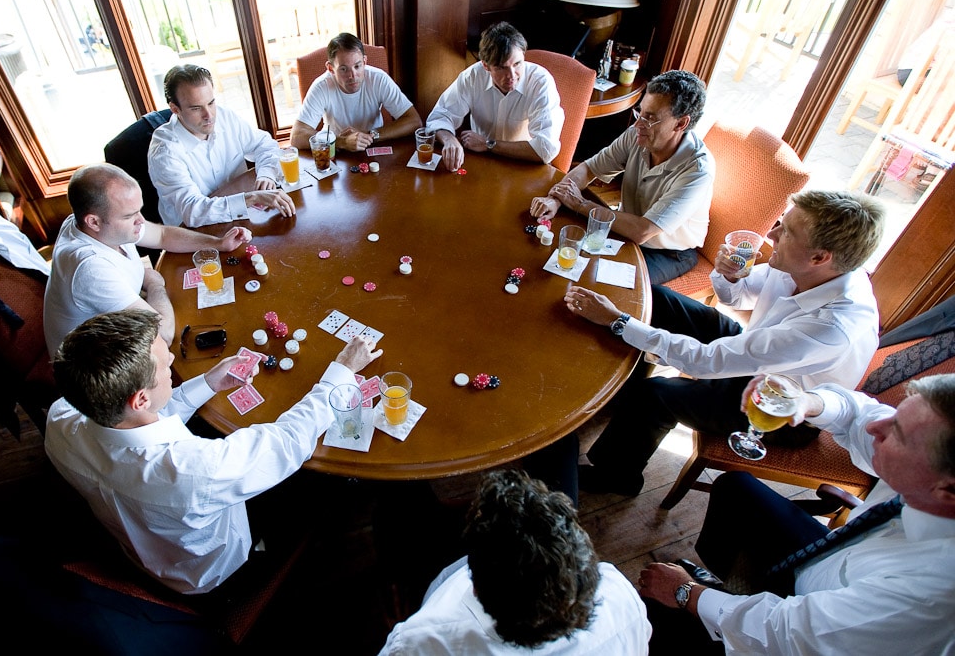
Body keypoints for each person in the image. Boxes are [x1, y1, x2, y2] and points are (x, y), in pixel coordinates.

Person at [565, 190, 885, 495]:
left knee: (658, 395)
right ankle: (623, 396)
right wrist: (730, 276)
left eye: (785, 232)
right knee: (659, 300)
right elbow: (740, 295)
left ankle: (617, 475)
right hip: (756, 353)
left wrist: (615, 320)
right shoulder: (806, 268)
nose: (771, 236)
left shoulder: (831, 327)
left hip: (781, 407)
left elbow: (704, 361)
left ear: (819, 256)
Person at [45, 309, 383, 595]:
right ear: (141, 399)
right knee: (328, 484)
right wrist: (343, 372)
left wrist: (207, 382)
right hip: (216, 573)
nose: (174, 361)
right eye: (165, 366)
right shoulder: (192, 470)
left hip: (140, 543)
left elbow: (134, 423)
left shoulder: (59, 418)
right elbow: (287, 441)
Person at [638, 373, 955, 655]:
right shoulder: (931, 472)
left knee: (658, 612)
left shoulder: (928, 594)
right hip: (830, 563)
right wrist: (808, 402)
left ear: (947, 491)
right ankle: (732, 584)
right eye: (896, 415)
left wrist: (687, 594)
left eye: (896, 434)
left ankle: (718, 600)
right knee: (735, 488)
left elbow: (788, 633)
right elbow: (861, 414)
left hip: (812, 634)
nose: (877, 427)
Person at [379, 469, 651, 655]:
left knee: (399, 504)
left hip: (426, 593)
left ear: (475, 587)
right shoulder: (620, 596)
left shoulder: (421, 640)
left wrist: (405, 629)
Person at [43, 163, 251, 357]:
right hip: (98, 366)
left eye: (139, 210)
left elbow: (162, 236)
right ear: (93, 222)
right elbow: (164, 335)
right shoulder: (90, 269)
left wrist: (218, 243)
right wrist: (154, 284)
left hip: (121, 324)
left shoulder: (90, 224)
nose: (141, 220)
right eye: (129, 216)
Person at [531, 70, 712, 284]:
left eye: (650, 118)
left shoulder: (698, 170)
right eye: (640, 112)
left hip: (668, 251)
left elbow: (643, 231)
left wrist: (580, 204)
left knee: (600, 283)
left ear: (680, 124)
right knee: (563, 255)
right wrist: (556, 199)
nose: (638, 124)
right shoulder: (637, 134)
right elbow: (589, 168)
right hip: (625, 227)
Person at [148, 64, 296, 227]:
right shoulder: (164, 152)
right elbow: (193, 211)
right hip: (195, 232)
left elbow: (265, 144)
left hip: (241, 217)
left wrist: (266, 174)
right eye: (196, 108)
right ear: (175, 109)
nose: (209, 115)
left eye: (211, 103)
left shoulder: (225, 116)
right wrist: (253, 198)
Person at [425, 21, 564, 172]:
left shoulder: (540, 82)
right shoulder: (473, 76)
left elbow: (546, 149)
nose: (512, 76)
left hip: (523, 165)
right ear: (485, 66)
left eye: (517, 64)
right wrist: (449, 140)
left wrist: (488, 144)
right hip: (482, 164)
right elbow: (439, 116)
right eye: (501, 67)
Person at [290, 32, 422, 153]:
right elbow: (296, 136)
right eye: (343, 69)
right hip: (336, 151)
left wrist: (369, 135)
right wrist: (341, 142)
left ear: (364, 62)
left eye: (357, 66)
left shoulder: (378, 78)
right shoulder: (321, 86)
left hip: (374, 145)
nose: (352, 75)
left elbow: (414, 121)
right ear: (331, 68)